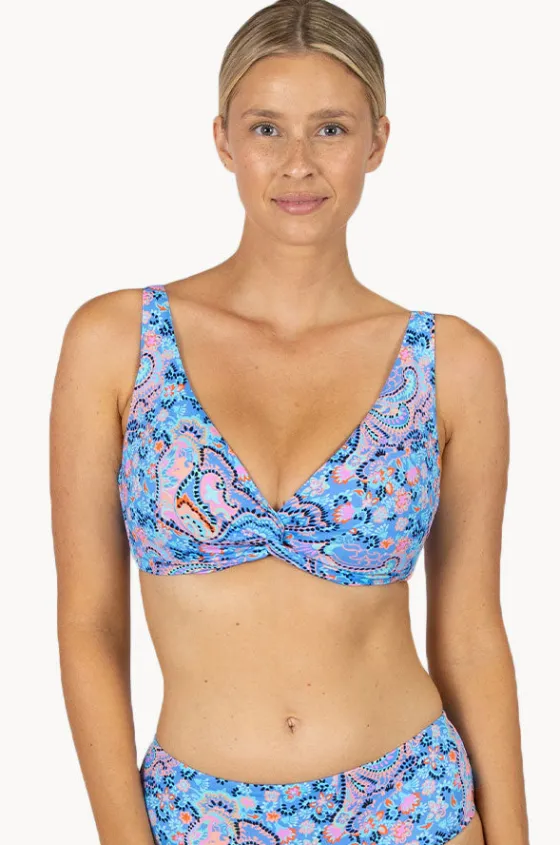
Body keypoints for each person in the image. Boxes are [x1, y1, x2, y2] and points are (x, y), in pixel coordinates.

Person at [50, 1, 529, 843]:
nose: (298, 163)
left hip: (413, 807)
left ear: (378, 141)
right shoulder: (117, 342)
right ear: (223, 140)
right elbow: (89, 624)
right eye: (266, 128)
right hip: (197, 816)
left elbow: (472, 634)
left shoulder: (453, 363)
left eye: (331, 129)